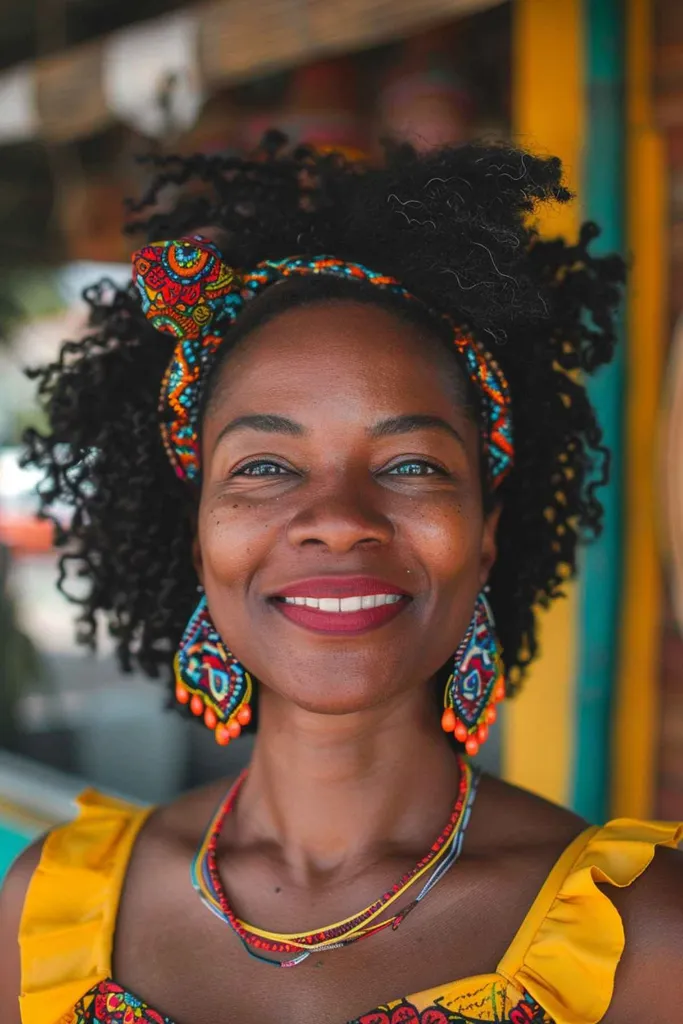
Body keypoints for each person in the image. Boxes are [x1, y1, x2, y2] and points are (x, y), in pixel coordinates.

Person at [1, 134, 681, 1024]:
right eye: (264, 467)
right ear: (198, 540)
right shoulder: (44, 908)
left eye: (411, 465)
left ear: (484, 539)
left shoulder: (639, 936)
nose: (338, 517)